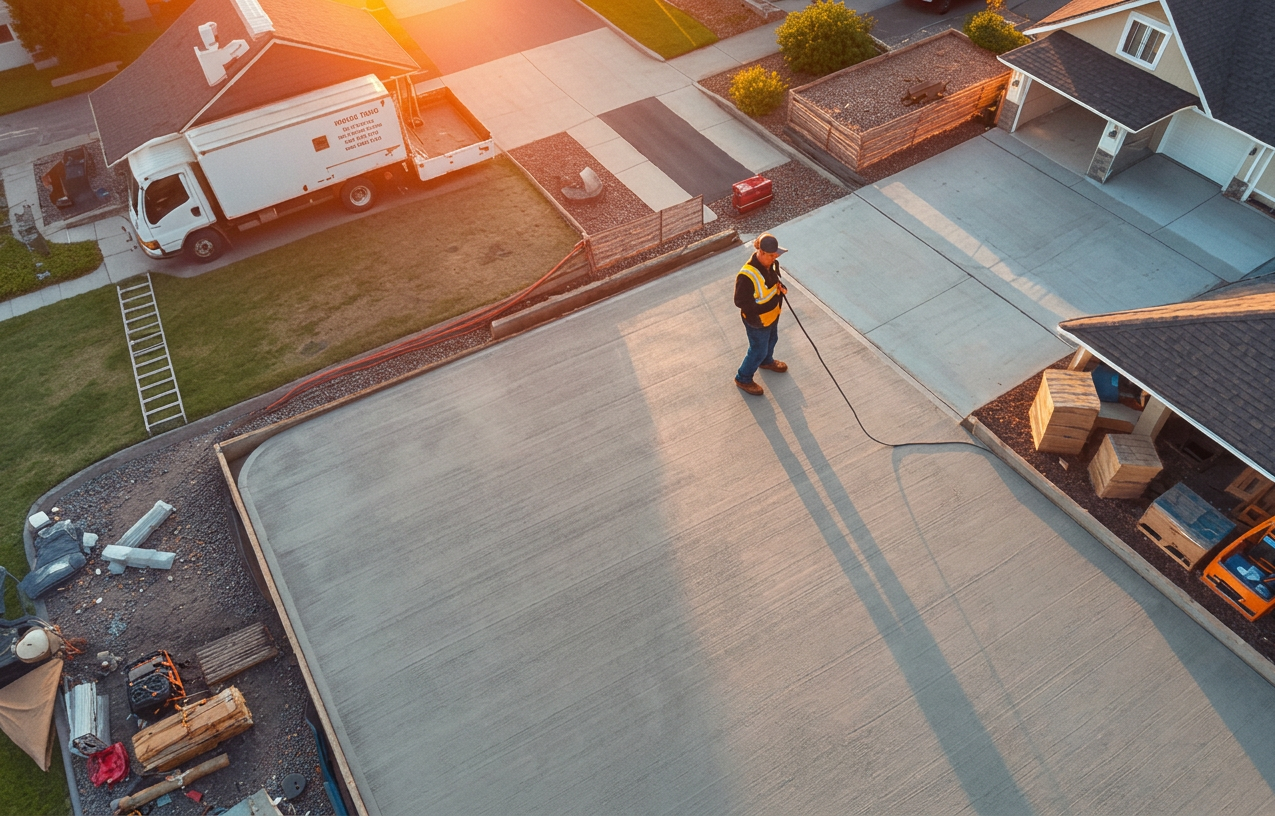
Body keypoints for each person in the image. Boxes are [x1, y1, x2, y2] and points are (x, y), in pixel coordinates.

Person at [733, 233, 789, 396]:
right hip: (758, 322)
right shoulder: (747, 276)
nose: (775, 257)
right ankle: (743, 378)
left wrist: (780, 287)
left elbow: (773, 281)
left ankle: (766, 362)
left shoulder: (771, 263)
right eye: (772, 254)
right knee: (757, 350)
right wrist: (762, 310)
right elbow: (740, 301)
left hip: (772, 315)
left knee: (773, 339)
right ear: (761, 252)